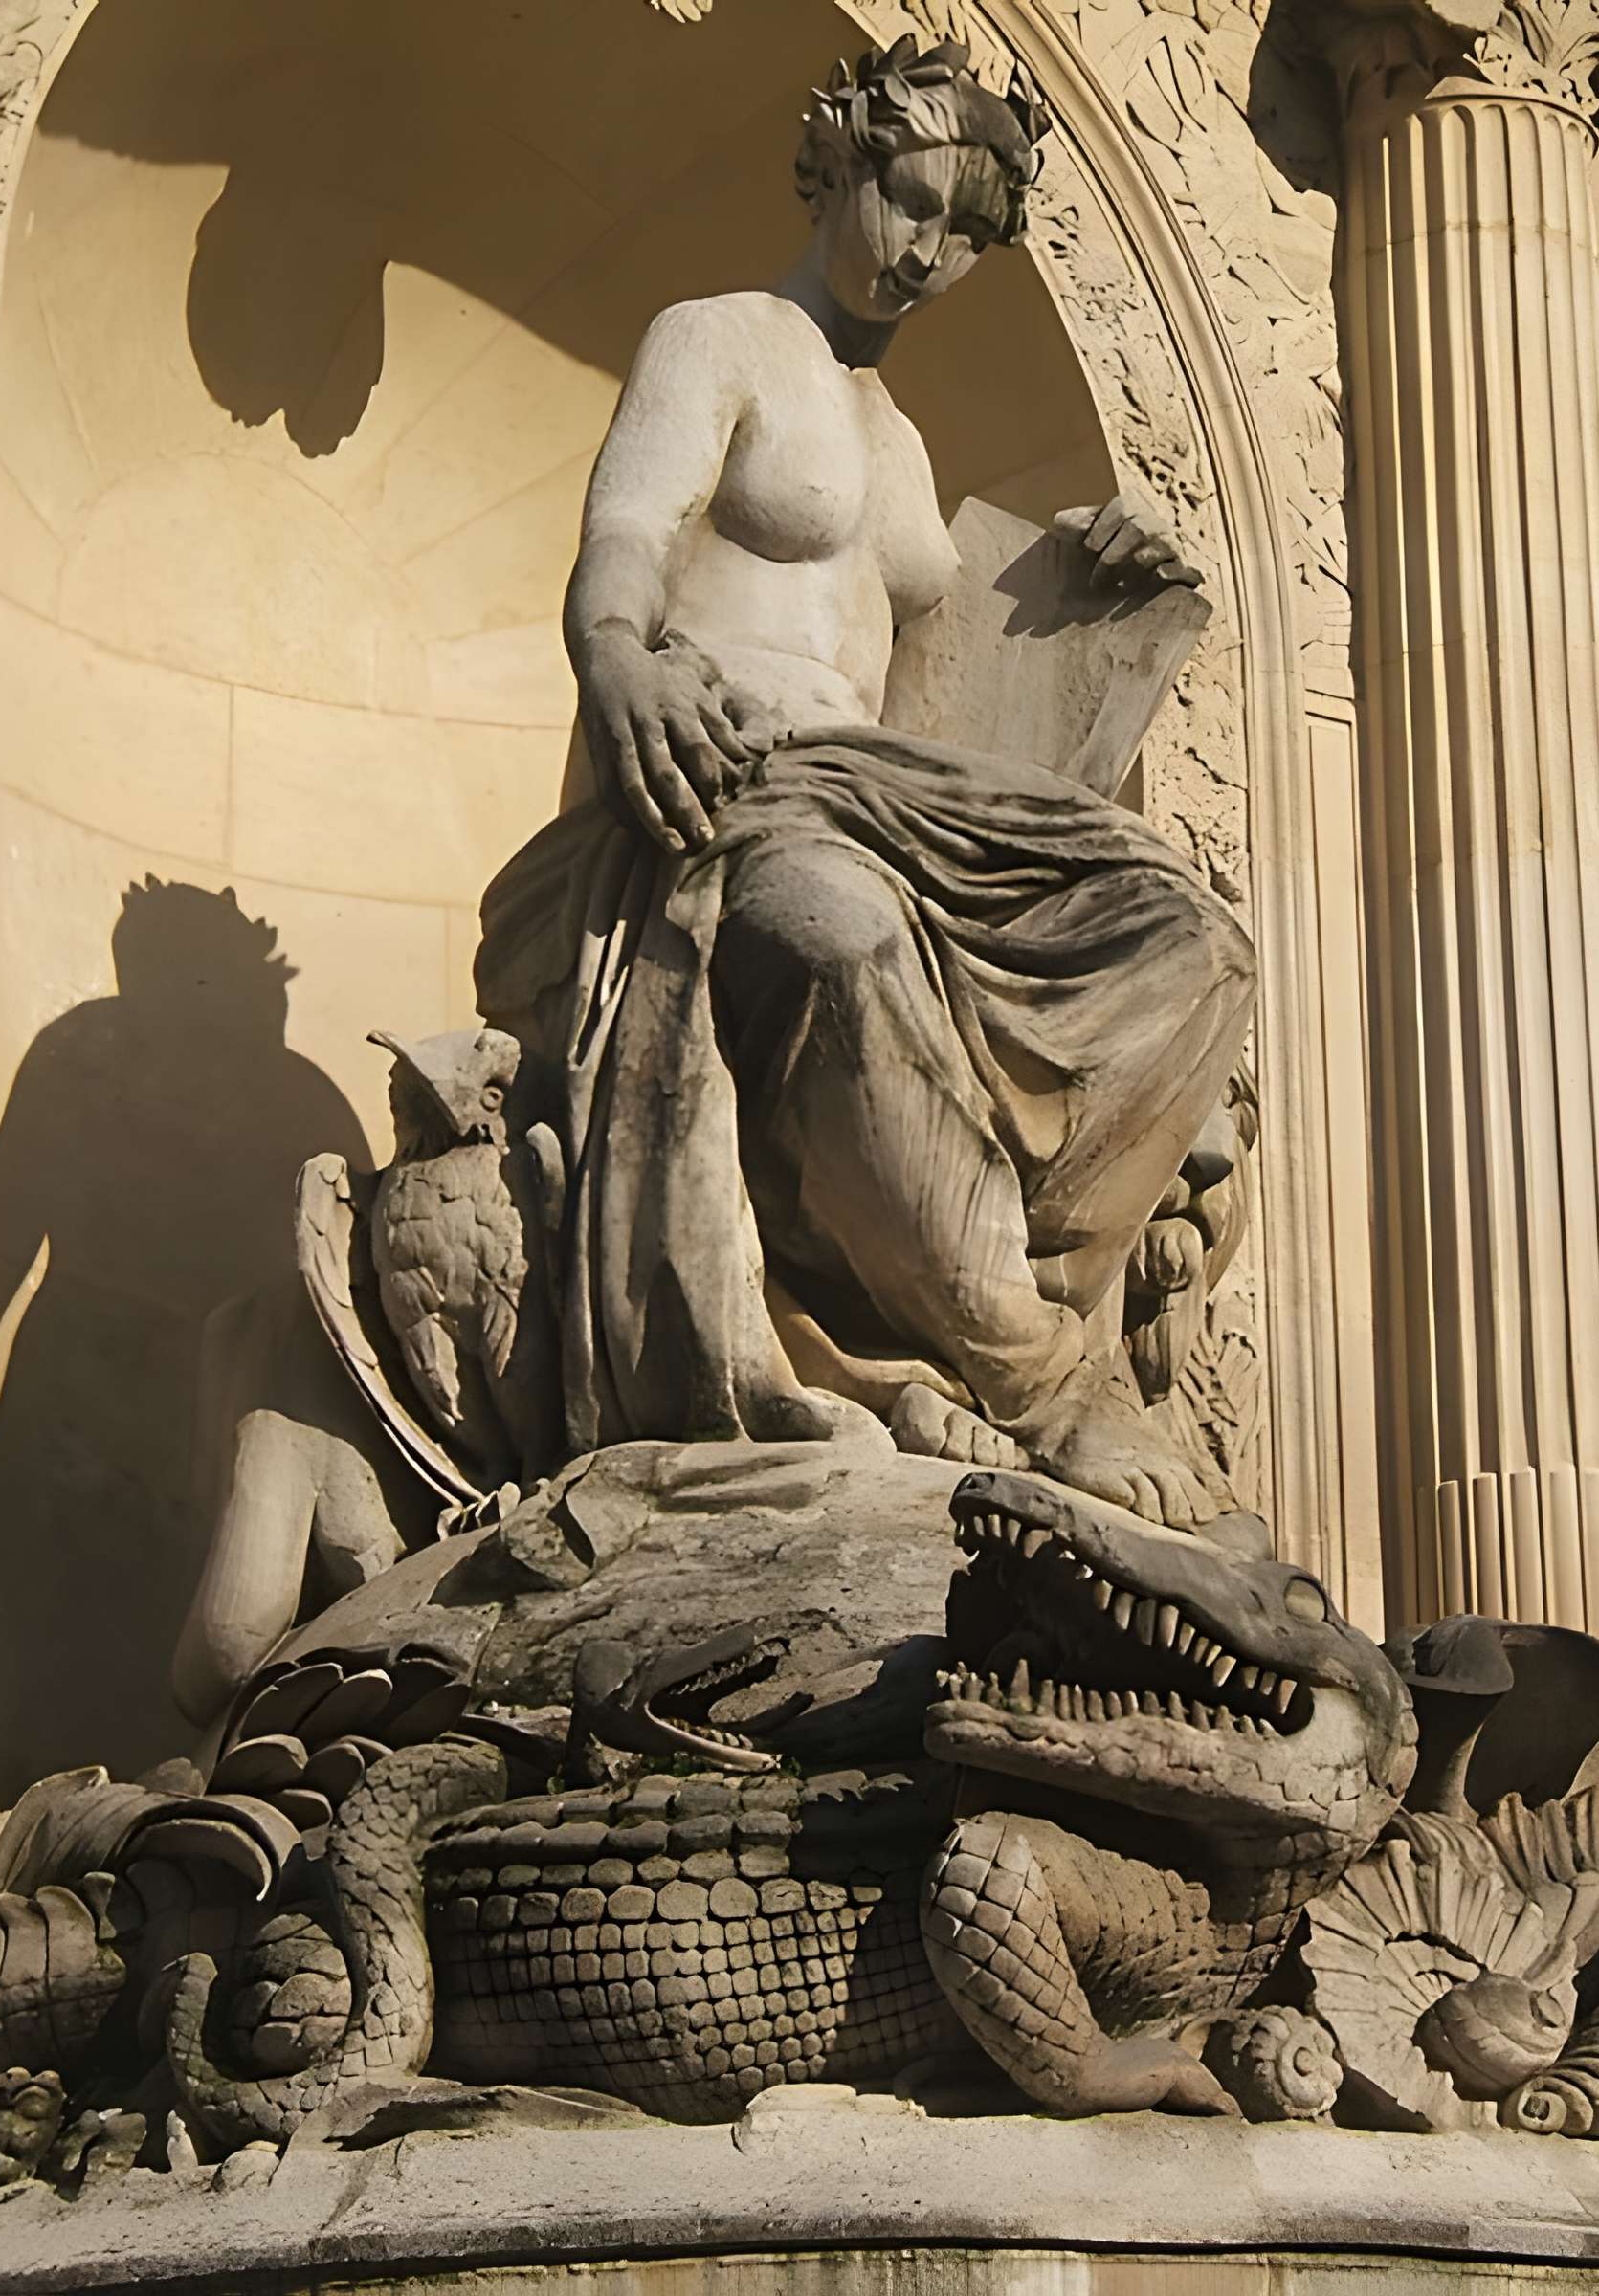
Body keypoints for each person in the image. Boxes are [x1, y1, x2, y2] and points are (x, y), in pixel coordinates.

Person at [474, 38, 1253, 1527]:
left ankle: (1018, 1293)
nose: (931, 254)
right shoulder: (715, 338)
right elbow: (631, 527)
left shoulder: (903, 446)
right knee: (833, 930)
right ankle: (1034, 1381)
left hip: (888, 795)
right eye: (913, 203)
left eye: (968, 236)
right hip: (736, 787)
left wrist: (1092, 575)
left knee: (1195, 946)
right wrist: (617, 655)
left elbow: (959, 689)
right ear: (840, 160)